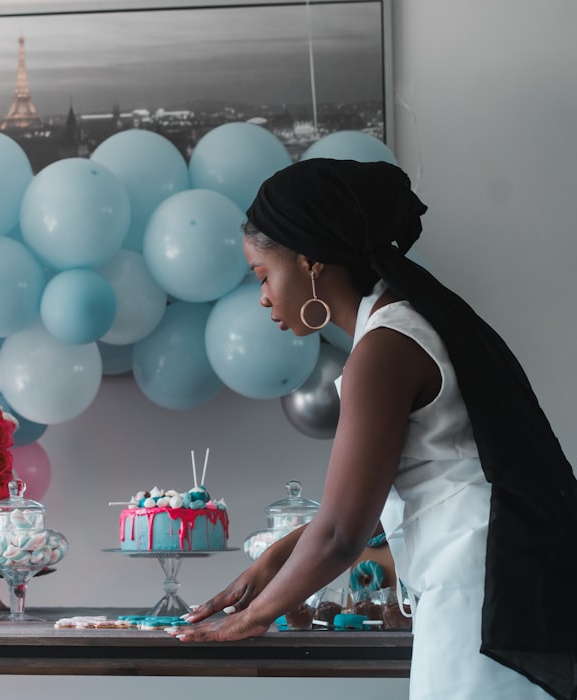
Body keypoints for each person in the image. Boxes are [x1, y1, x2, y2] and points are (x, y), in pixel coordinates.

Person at [169, 158, 577, 699]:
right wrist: (274, 559)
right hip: (499, 581)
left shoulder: (383, 349)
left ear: (311, 263)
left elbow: (342, 533)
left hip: (476, 592)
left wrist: (251, 618)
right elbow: (372, 505)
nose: (264, 297)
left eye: (264, 275)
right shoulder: (408, 324)